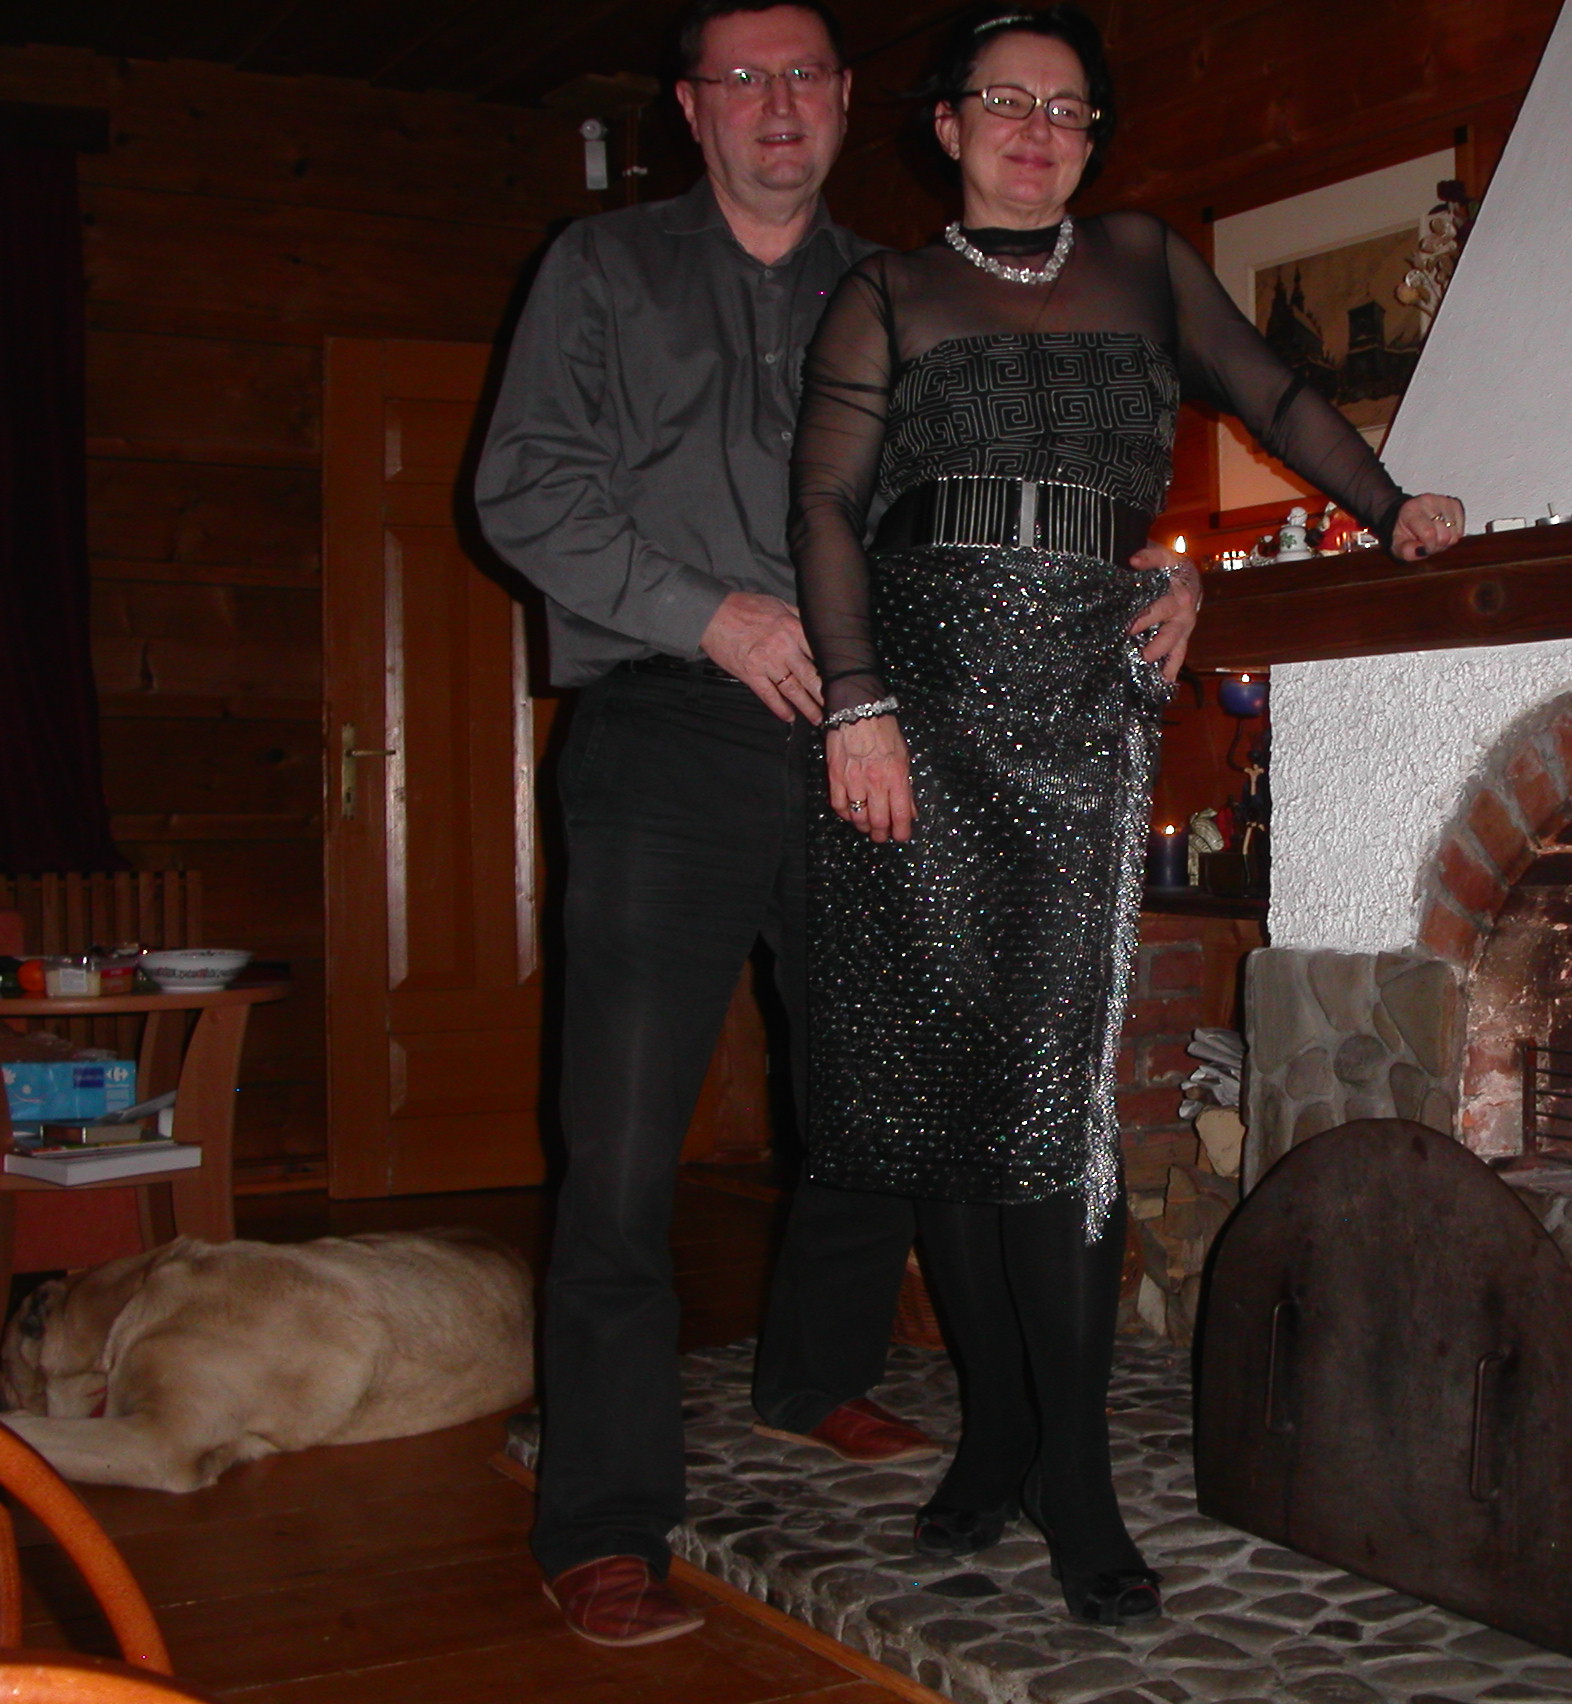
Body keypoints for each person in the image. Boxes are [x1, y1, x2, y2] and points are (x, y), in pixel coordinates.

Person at [788, 2, 1465, 1628]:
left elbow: (1276, 397)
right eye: (1006, 103)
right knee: (950, 1090)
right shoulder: (884, 290)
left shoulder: (1147, 259)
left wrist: (1388, 505)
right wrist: (857, 705)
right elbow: (824, 505)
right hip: (919, 710)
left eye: (1069, 110)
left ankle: (1074, 1472)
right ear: (946, 125)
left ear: (1094, 138)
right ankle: (997, 1435)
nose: (1038, 131)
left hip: (1083, 707)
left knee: (1053, 1102)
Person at [475, 0, 1130, 1650]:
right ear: (691, 108)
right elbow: (524, 490)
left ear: (847, 102)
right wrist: (712, 614)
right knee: (623, 1145)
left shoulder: (907, 287)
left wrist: (1153, 578)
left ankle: (812, 1373)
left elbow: (998, 499)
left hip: (875, 733)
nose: (777, 103)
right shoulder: (600, 270)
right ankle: (605, 1518)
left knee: (880, 1090)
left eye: (807, 77)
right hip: (668, 731)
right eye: (742, 79)